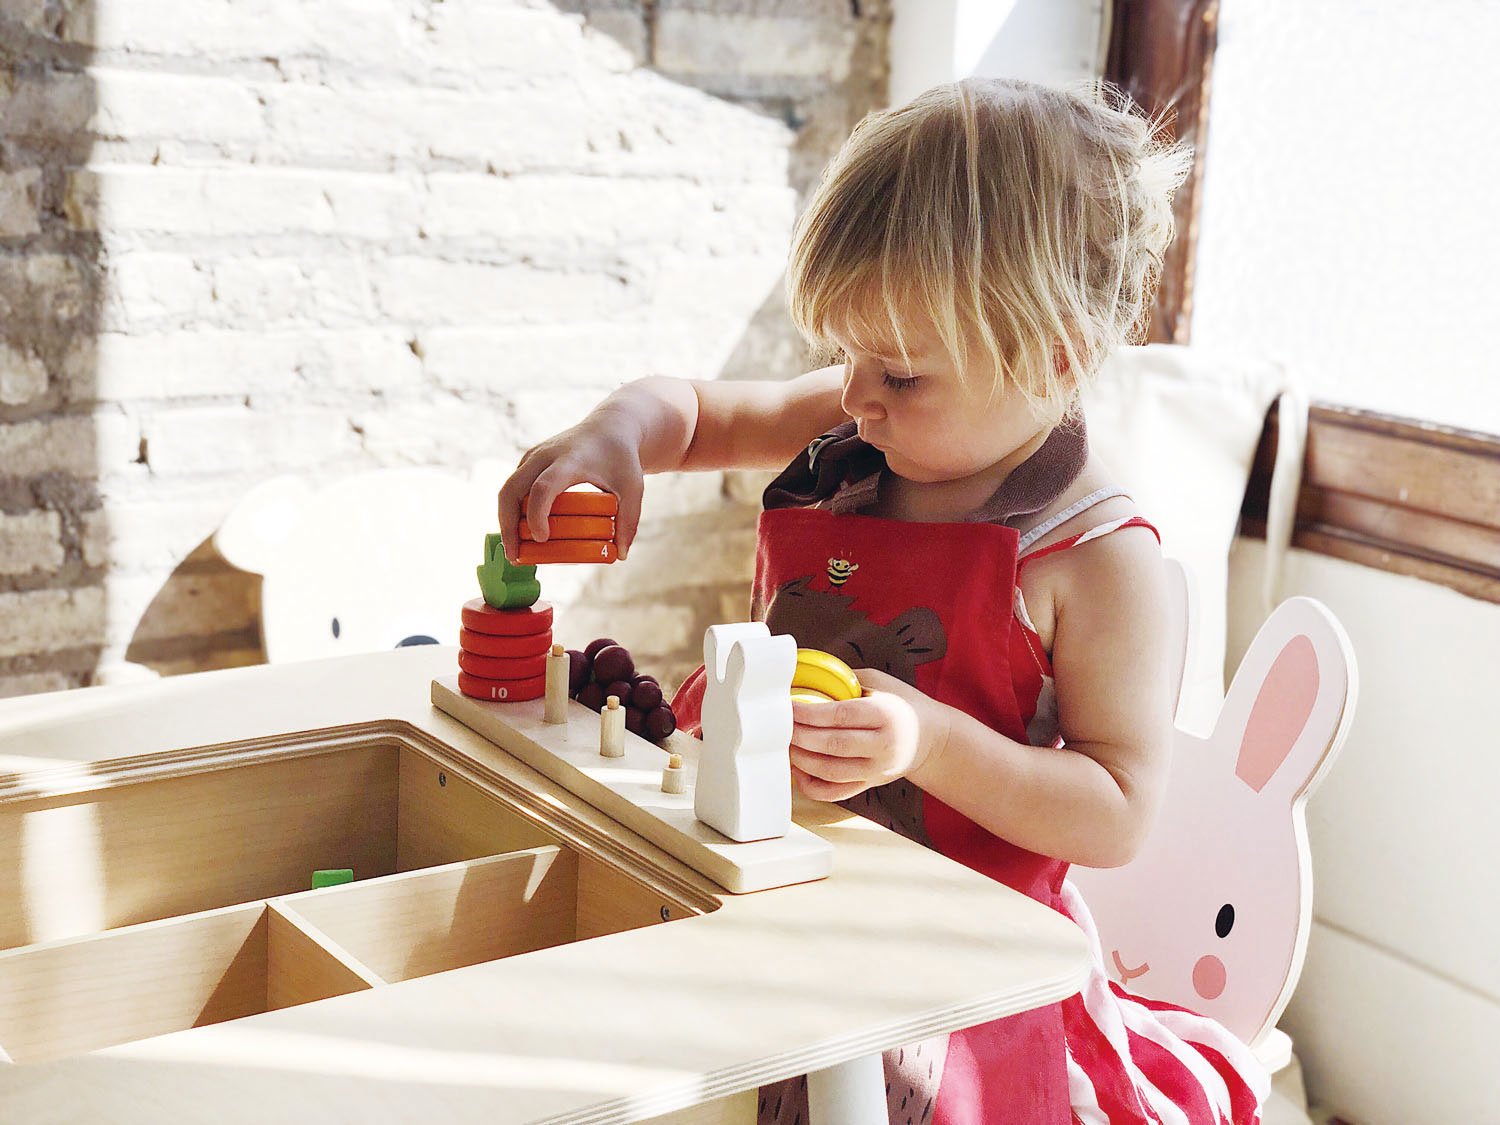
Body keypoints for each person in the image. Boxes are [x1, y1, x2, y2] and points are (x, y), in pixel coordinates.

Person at [498, 77, 1269, 1124]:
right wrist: (617, 436)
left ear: (1058, 354)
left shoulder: (1096, 561)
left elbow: (1119, 811)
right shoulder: (864, 424)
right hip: (776, 889)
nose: (855, 395)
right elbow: (692, 412)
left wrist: (928, 742)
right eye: (843, 354)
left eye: (900, 374)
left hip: (948, 975)